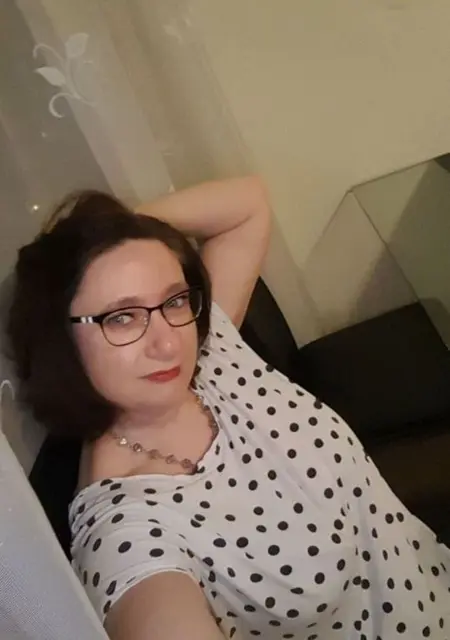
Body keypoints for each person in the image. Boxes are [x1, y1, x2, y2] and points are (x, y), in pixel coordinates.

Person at [7, 177, 450, 640]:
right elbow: (151, 605)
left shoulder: (209, 352)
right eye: (122, 317)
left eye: (175, 299)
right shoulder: (124, 529)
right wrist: (75, 254)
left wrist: (114, 234)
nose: (167, 343)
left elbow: (247, 203)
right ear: (58, 339)